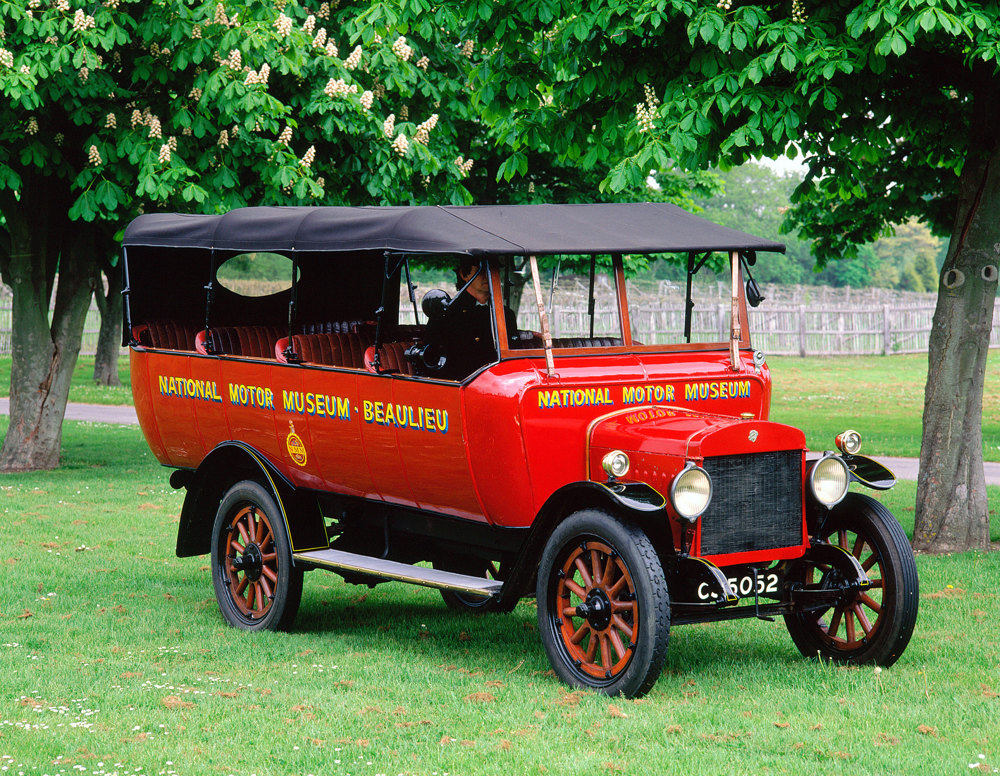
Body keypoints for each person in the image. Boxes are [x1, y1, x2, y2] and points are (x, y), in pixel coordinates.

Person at [428, 257, 517, 380]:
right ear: (464, 274)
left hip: (501, 383)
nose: (488, 275)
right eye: (482, 270)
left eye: (493, 271)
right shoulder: (447, 313)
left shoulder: (506, 314)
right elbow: (434, 362)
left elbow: (514, 357)